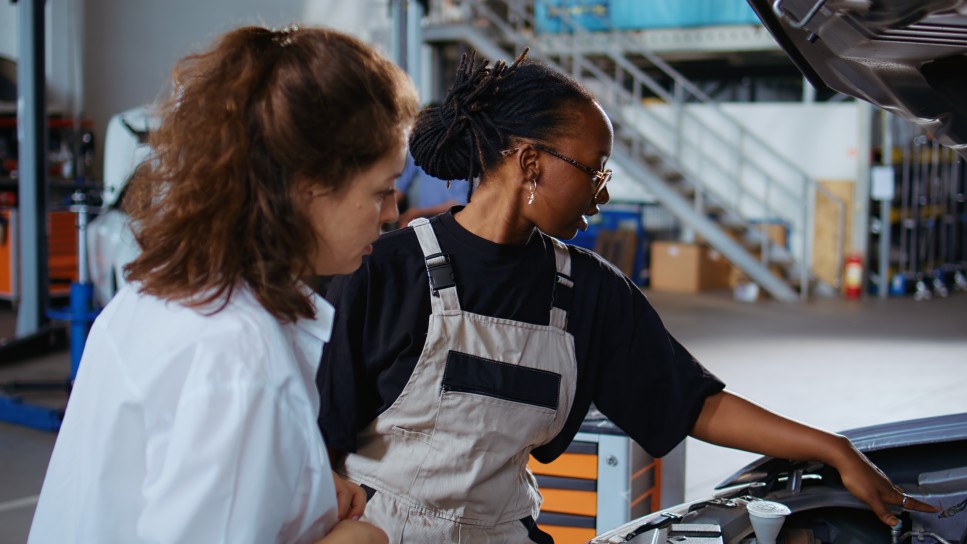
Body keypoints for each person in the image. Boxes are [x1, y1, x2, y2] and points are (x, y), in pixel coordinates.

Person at [316, 50, 939, 543]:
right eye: (594, 170)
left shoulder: (586, 291)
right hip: (379, 533)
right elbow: (318, 432)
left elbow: (693, 404)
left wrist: (834, 448)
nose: (603, 192)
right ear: (530, 163)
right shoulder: (386, 270)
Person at [29, 25, 418, 544]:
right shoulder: (239, 360)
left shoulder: (162, 293)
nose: (391, 213)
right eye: (381, 190)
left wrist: (296, 480)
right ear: (308, 189)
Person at [394, 150, 469, 227]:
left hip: (451, 223)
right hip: (425, 223)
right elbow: (400, 188)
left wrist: (420, 212)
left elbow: (459, 203)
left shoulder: (461, 157)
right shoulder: (420, 151)